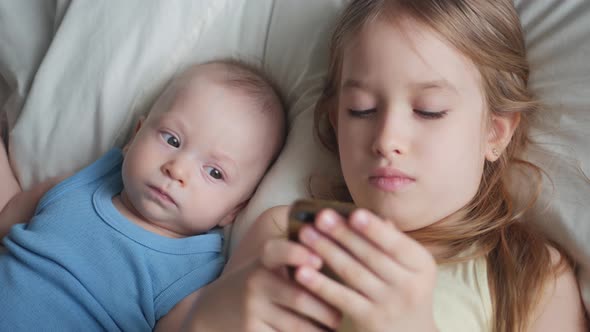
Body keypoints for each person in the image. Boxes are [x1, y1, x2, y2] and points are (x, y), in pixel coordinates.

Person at [181, 1, 588, 331]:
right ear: (335, 121)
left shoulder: (533, 278)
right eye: (362, 110)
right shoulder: (286, 231)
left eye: (429, 111)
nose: (386, 140)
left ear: (495, 134)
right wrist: (205, 322)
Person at [0, 59, 286, 330]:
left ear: (233, 210)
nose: (177, 170)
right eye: (172, 139)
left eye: (214, 172)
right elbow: (8, 214)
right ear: (135, 136)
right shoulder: (88, 181)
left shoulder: (194, 274)